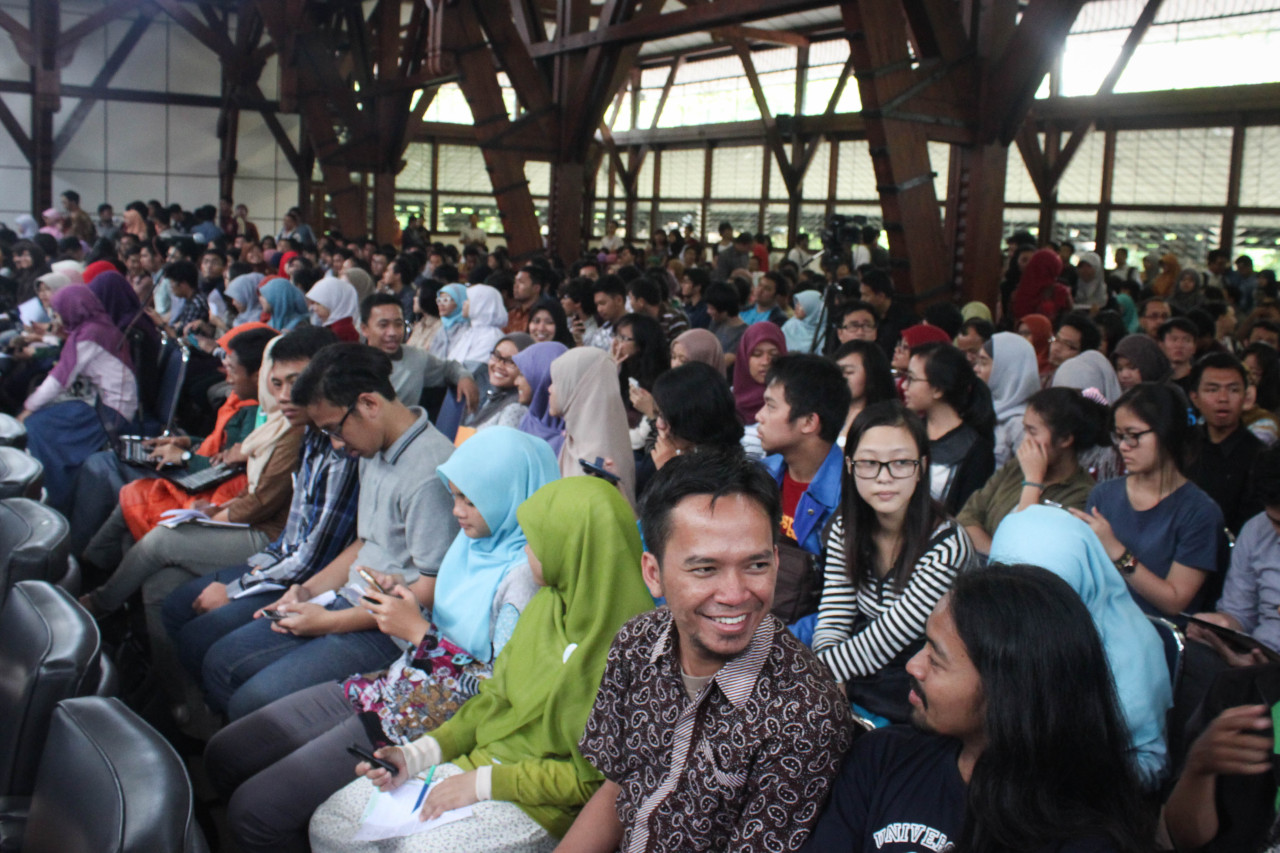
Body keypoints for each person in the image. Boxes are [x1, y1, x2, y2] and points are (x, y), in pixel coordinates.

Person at [203, 427, 557, 853]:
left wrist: (418, 632)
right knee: (225, 753)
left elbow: (501, 690)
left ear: (514, 493)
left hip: (429, 719)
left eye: (471, 500)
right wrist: (409, 606)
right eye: (455, 496)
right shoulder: (472, 545)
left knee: (255, 811)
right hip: (391, 686)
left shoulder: (526, 577)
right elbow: (451, 629)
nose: (457, 512)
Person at [310, 475, 655, 852]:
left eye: (537, 541)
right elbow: (492, 700)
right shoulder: (548, 605)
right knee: (333, 823)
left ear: (573, 548)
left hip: (539, 803)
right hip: (480, 763)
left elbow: (590, 783)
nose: (526, 552)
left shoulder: (632, 653)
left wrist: (483, 784)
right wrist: (415, 756)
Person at [558, 450, 856, 853]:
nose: (735, 595)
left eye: (755, 566)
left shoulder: (805, 713)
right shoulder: (636, 644)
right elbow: (619, 788)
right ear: (653, 573)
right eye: (705, 569)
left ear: (776, 560)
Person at [801, 564, 1154, 853]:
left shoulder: (1081, 835)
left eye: (936, 660)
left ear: (1007, 692)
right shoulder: (881, 758)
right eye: (923, 644)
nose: (913, 666)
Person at [200, 343, 459, 720]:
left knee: (247, 695)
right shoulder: (376, 446)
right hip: (347, 601)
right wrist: (307, 591)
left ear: (369, 405)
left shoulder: (428, 474)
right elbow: (366, 543)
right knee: (219, 656)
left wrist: (330, 621)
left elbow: (429, 592)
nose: (338, 445)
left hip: (388, 631)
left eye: (335, 430)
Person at [162, 327, 357, 695]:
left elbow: (314, 556)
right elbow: (294, 536)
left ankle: (209, 728)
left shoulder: (343, 444)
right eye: (277, 384)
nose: (285, 396)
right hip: (285, 561)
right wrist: (253, 571)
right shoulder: (310, 435)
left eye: (296, 383)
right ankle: (185, 712)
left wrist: (237, 589)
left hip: (314, 582)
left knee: (207, 642)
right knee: (171, 600)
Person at [988, 506, 1172, 785]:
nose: (1024, 612)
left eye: (1043, 597)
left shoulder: (1134, 651)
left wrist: (1071, 782)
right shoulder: (990, 623)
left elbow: (1149, 765)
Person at [814, 401, 973, 724]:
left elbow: (883, 643)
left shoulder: (947, 547)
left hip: (927, 666)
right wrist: (832, 678)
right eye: (869, 463)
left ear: (922, 467)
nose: (884, 477)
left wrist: (812, 673)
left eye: (901, 462)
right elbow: (834, 618)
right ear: (849, 466)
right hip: (862, 664)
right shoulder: (845, 528)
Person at [1075, 382, 1223, 616]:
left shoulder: (1199, 511)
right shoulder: (1104, 494)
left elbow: (1174, 600)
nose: (1123, 446)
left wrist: (1118, 552)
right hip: (1101, 621)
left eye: (1133, 436)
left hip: (1158, 632)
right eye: (1119, 436)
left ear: (1167, 433)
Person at [20, 285, 138, 512]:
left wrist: (26, 409)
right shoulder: (97, 326)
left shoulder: (88, 336)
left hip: (110, 411)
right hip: (102, 401)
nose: (59, 317)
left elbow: (59, 380)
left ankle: (55, 496)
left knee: (35, 426)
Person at [958, 387, 1107, 554]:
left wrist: (1032, 482)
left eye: (1032, 432)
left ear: (1065, 439)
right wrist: (997, 554)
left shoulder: (1082, 495)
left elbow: (1023, 544)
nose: (1025, 440)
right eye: (1025, 430)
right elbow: (967, 517)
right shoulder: (1015, 468)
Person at [758, 354, 851, 564]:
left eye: (771, 407)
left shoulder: (848, 496)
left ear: (809, 422)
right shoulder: (761, 474)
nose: (759, 416)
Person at [901, 342, 995, 515]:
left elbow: (967, 515)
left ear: (937, 389)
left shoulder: (975, 450)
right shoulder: (906, 432)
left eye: (912, 379)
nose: (904, 386)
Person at [549, 345, 637, 507]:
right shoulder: (579, 441)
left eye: (556, 382)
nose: (550, 389)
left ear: (578, 390)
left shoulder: (597, 462)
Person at [1188, 352, 1264, 537]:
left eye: (1233, 390)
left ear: (1246, 397)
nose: (1223, 398)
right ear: (1195, 397)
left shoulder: (1260, 456)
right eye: (1212, 390)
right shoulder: (1183, 445)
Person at [976, 331, 1040, 467]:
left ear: (1006, 370)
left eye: (983, 363)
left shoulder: (1021, 425)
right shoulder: (979, 409)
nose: (976, 369)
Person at [463, 333, 534, 431]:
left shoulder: (515, 408)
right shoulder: (495, 397)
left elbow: (501, 445)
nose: (499, 365)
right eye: (496, 356)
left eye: (510, 361)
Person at [831, 340, 895, 447]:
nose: (841, 378)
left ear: (872, 375)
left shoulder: (888, 424)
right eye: (837, 372)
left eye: (849, 372)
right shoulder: (827, 417)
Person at [306, 275, 361, 342]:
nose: (314, 308)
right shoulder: (333, 326)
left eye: (318, 304)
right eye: (313, 303)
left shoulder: (341, 331)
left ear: (334, 302)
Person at [1158, 317, 1199, 394]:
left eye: (1186, 340)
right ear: (1161, 345)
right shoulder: (1159, 383)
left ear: (1194, 347)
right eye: (1174, 339)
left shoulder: (1200, 381)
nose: (1179, 345)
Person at [782, 289, 827, 354]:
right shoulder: (790, 325)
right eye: (797, 303)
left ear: (812, 308)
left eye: (801, 305)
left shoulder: (824, 332)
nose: (796, 307)